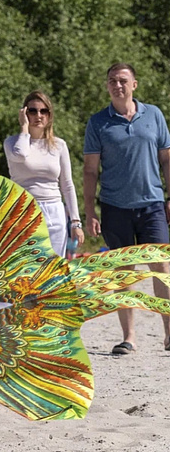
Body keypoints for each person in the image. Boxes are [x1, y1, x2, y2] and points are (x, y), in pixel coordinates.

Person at [83, 62, 170, 355]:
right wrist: (90, 212)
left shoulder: (154, 115)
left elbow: (167, 159)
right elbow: (90, 171)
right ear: (107, 86)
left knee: (161, 269)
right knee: (124, 273)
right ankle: (129, 337)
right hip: (115, 207)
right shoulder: (98, 122)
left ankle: (169, 335)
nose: (117, 85)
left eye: (122, 80)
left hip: (152, 205)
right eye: (112, 81)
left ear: (134, 84)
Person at [4, 91, 84, 256]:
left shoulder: (59, 145)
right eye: (32, 111)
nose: (38, 115)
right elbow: (20, 155)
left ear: (50, 115)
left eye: (43, 111)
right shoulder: (12, 143)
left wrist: (75, 222)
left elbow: (67, 185)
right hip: (24, 209)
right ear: (24, 114)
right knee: (26, 267)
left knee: (53, 267)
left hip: (54, 209)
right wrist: (24, 129)